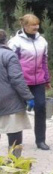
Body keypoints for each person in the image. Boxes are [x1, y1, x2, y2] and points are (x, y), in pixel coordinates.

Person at [8, 14, 51, 150]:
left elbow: (44, 61)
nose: (36, 27)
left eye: (37, 24)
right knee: (16, 111)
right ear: (25, 26)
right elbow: (10, 63)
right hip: (21, 82)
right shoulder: (15, 42)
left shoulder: (42, 41)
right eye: (33, 25)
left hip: (38, 81)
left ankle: (40, 140)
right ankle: (15, 143)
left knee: (41, 107)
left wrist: (46, 79)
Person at [0, 30, 35, 158]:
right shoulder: (9, 55)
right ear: (5, 40)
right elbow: (17, 79)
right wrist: (29, 97)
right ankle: (15, 160)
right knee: (14, 131)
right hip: (9, 101)